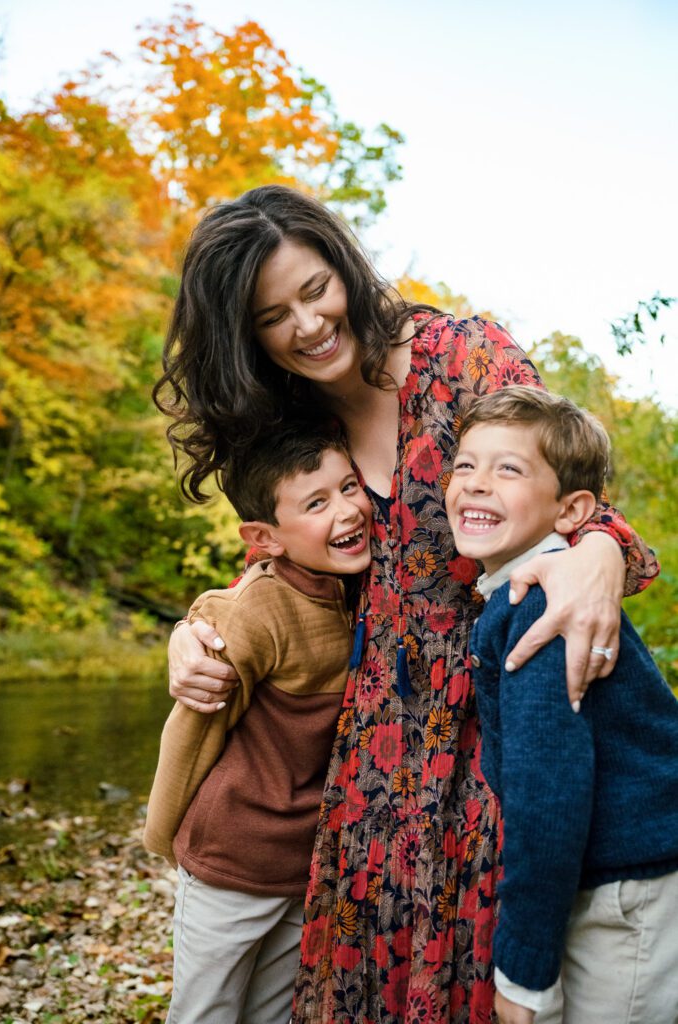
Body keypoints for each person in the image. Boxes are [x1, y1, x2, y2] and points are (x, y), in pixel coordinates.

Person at [155, 184, 659, 1023]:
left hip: (499, 725)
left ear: (345, 266)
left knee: (503, 975)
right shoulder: (290, 418)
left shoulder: (462, 357)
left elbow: (570, 496)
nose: (308, 325)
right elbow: (283, 563)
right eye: (273, 315)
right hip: (374, 760)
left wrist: (602, 552)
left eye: (315, 290)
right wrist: (199, 623)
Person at [445, 386, 678, 1024]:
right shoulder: (520, 595)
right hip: (617, 878)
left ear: (572, 508)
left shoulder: (539, 609)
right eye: (465, 464)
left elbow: (549, 795)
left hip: (629, 896)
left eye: (508, 468)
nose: (476, 484)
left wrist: (523, 972)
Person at [143, 420, 373, 1024]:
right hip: (230, 861)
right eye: (317, 503)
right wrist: (164, 835)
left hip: (301, 863)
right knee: (207, 1010)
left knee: (271, 1011)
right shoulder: (259, 609)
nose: (348, 511)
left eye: (349, 487)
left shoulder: (356, 591)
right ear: (264, 537)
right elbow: (190, 733)